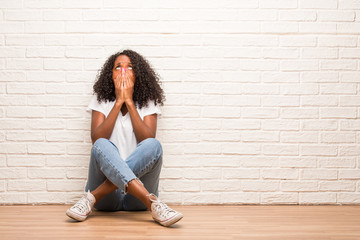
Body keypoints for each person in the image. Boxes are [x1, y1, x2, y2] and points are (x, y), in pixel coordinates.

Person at [65, 49, 183, 227]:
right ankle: (154, 204)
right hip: (107, 201)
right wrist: (119, 101)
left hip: (136, 200)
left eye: (129, 67)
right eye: (118, 67)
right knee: (102, 144)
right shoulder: (101, 99)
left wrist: (129, 101)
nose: (123, 71)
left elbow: (147, 138)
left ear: (138, 74)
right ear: (110, 74)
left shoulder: (148, 101)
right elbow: (97, 139)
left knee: (154, 145)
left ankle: (90, 198)